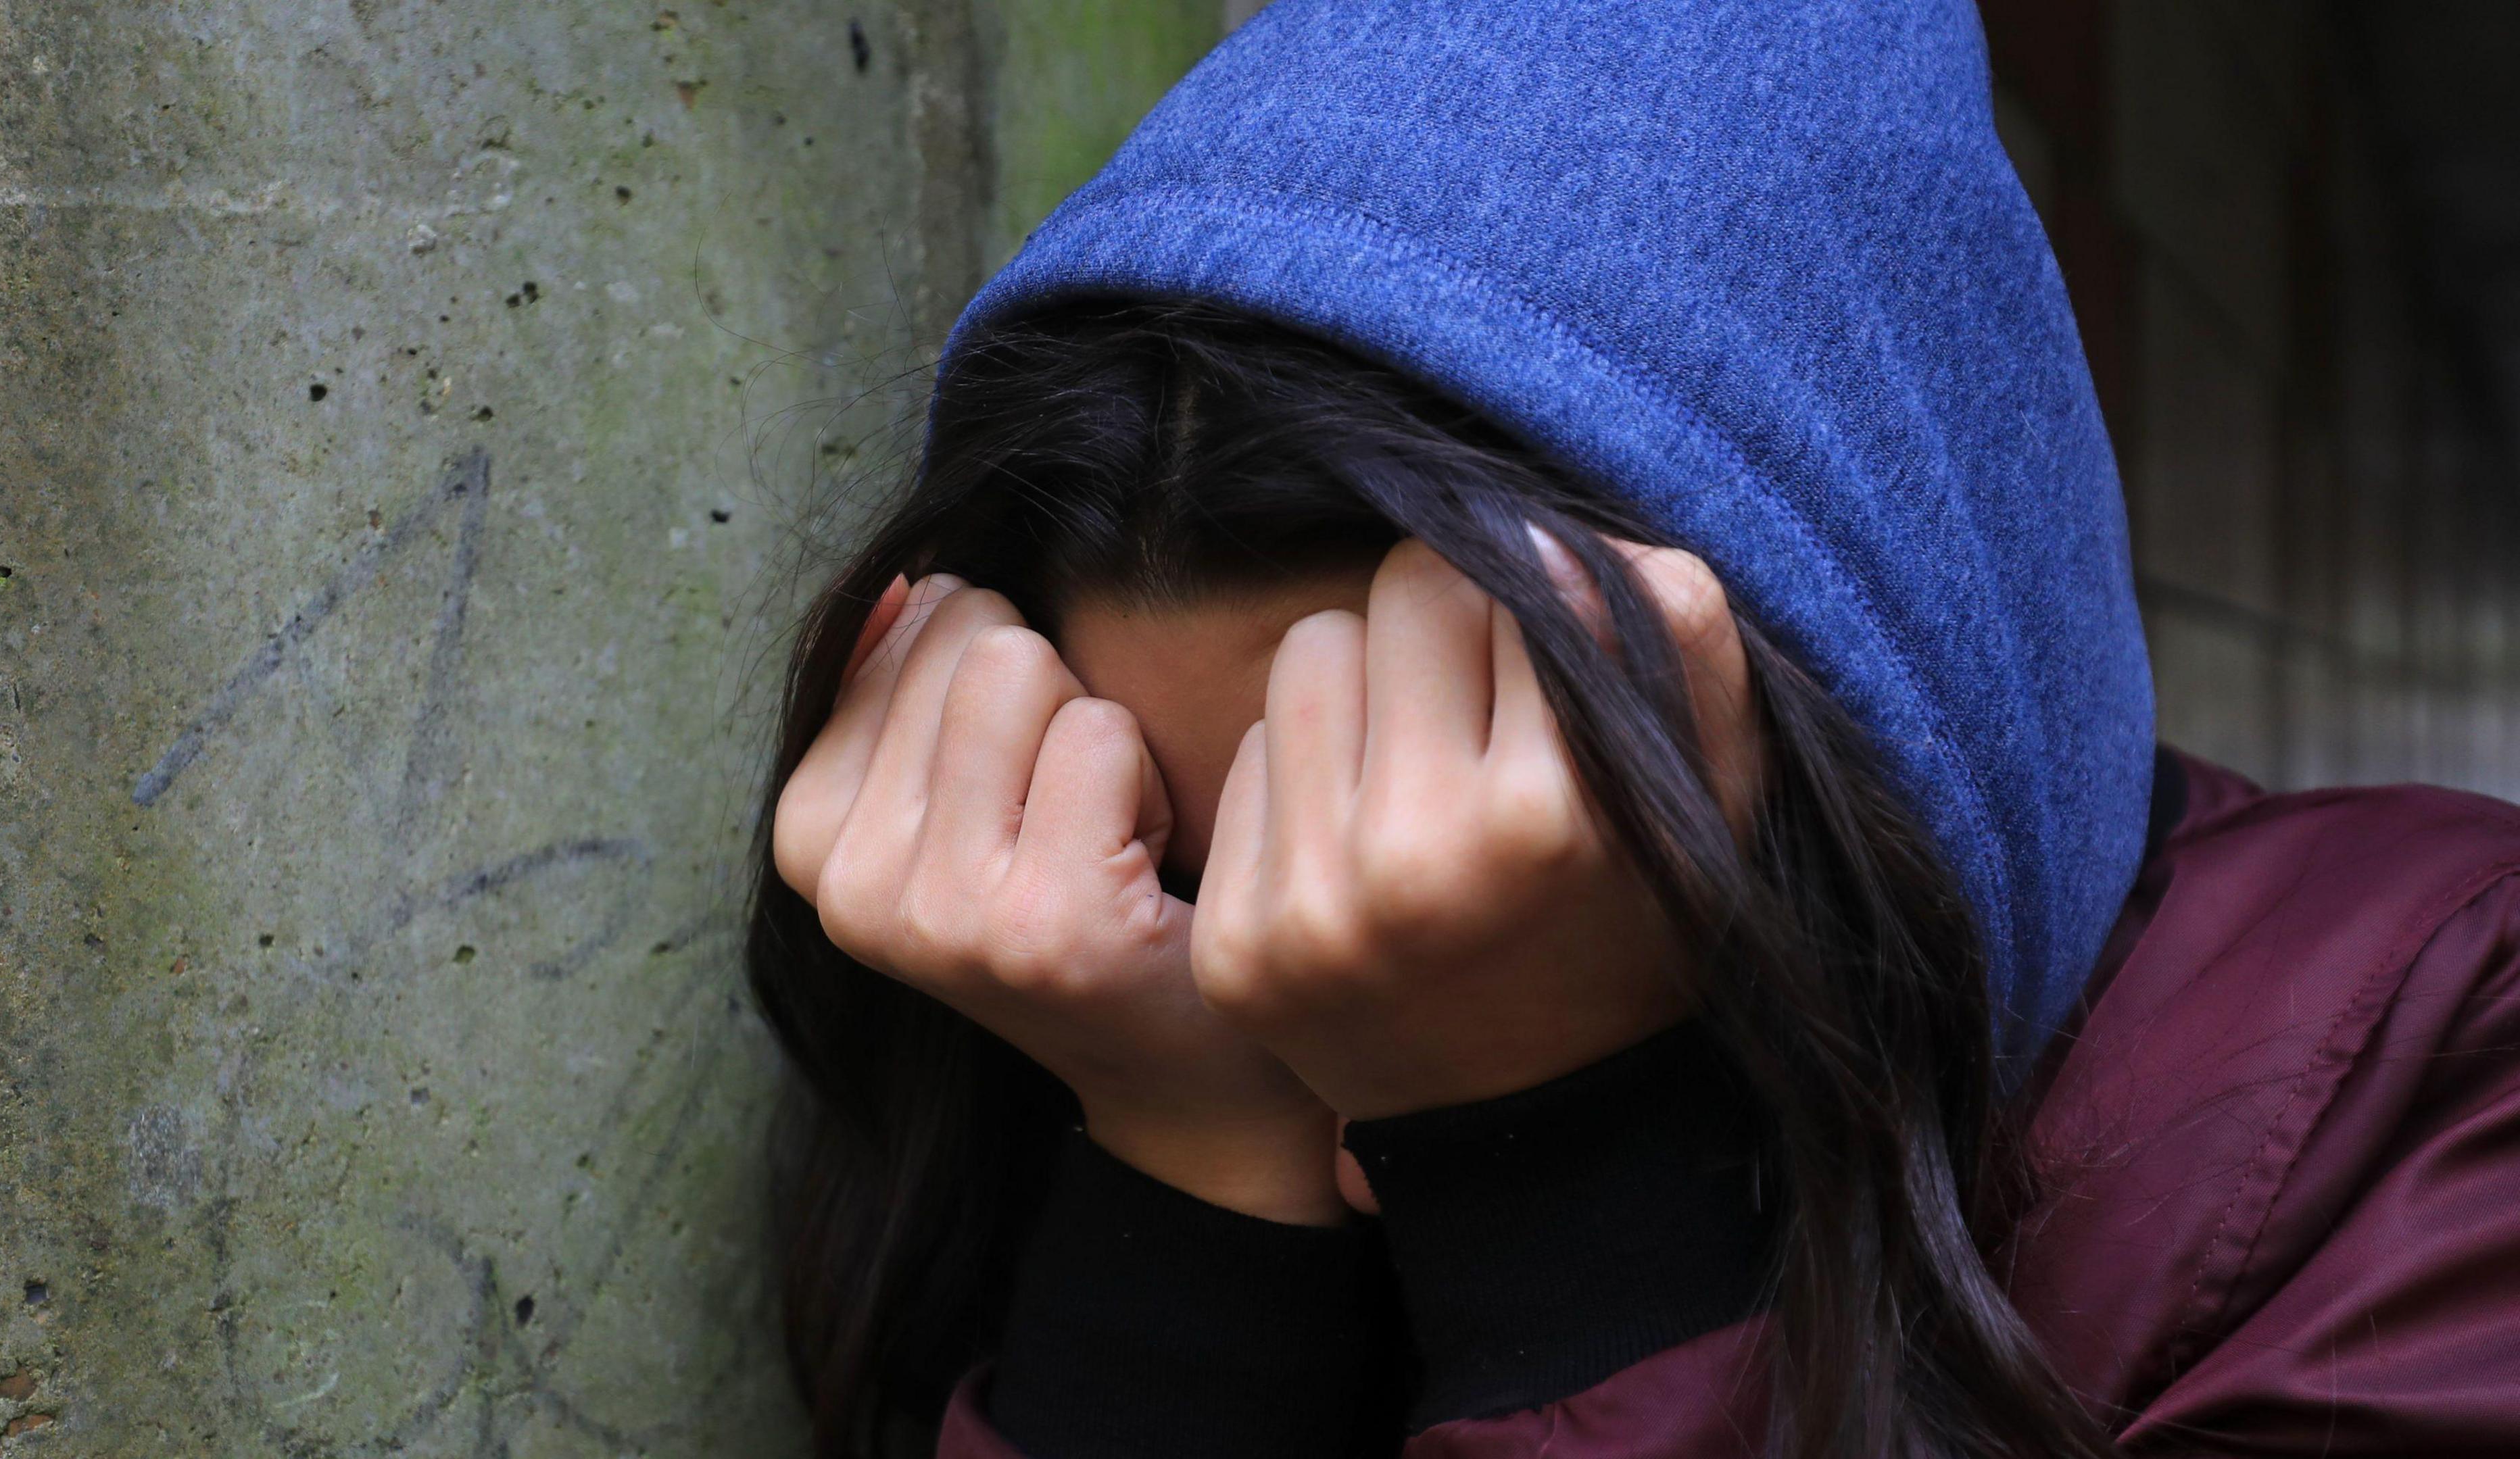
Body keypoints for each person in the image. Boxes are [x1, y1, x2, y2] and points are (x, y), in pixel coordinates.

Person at [744, 3, 2520, 1456]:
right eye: (1205, 877)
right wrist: (1189, 1207)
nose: (1326, 954)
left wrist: (1576, 1180)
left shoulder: (2451, 1072)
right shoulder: (1168, 1102)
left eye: (1509, 849)